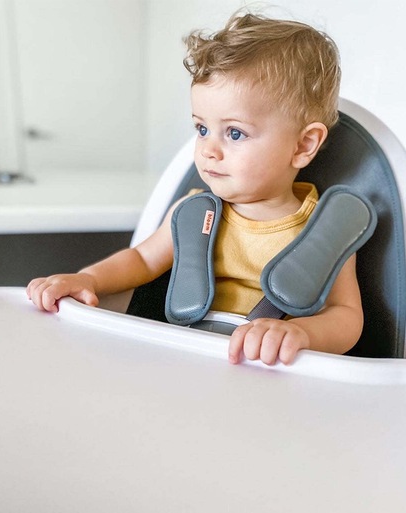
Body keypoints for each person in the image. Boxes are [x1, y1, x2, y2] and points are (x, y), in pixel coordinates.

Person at [27, 11, 363, 366]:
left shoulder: (326, 232)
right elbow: (141, 260)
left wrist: (302, 333)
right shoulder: (193, 214)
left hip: (269, 372)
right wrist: (88, 279)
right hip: (187, 361)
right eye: (202, 129)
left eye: (235, 133)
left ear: (303, 145)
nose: (208, 150)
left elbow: (346, 315)